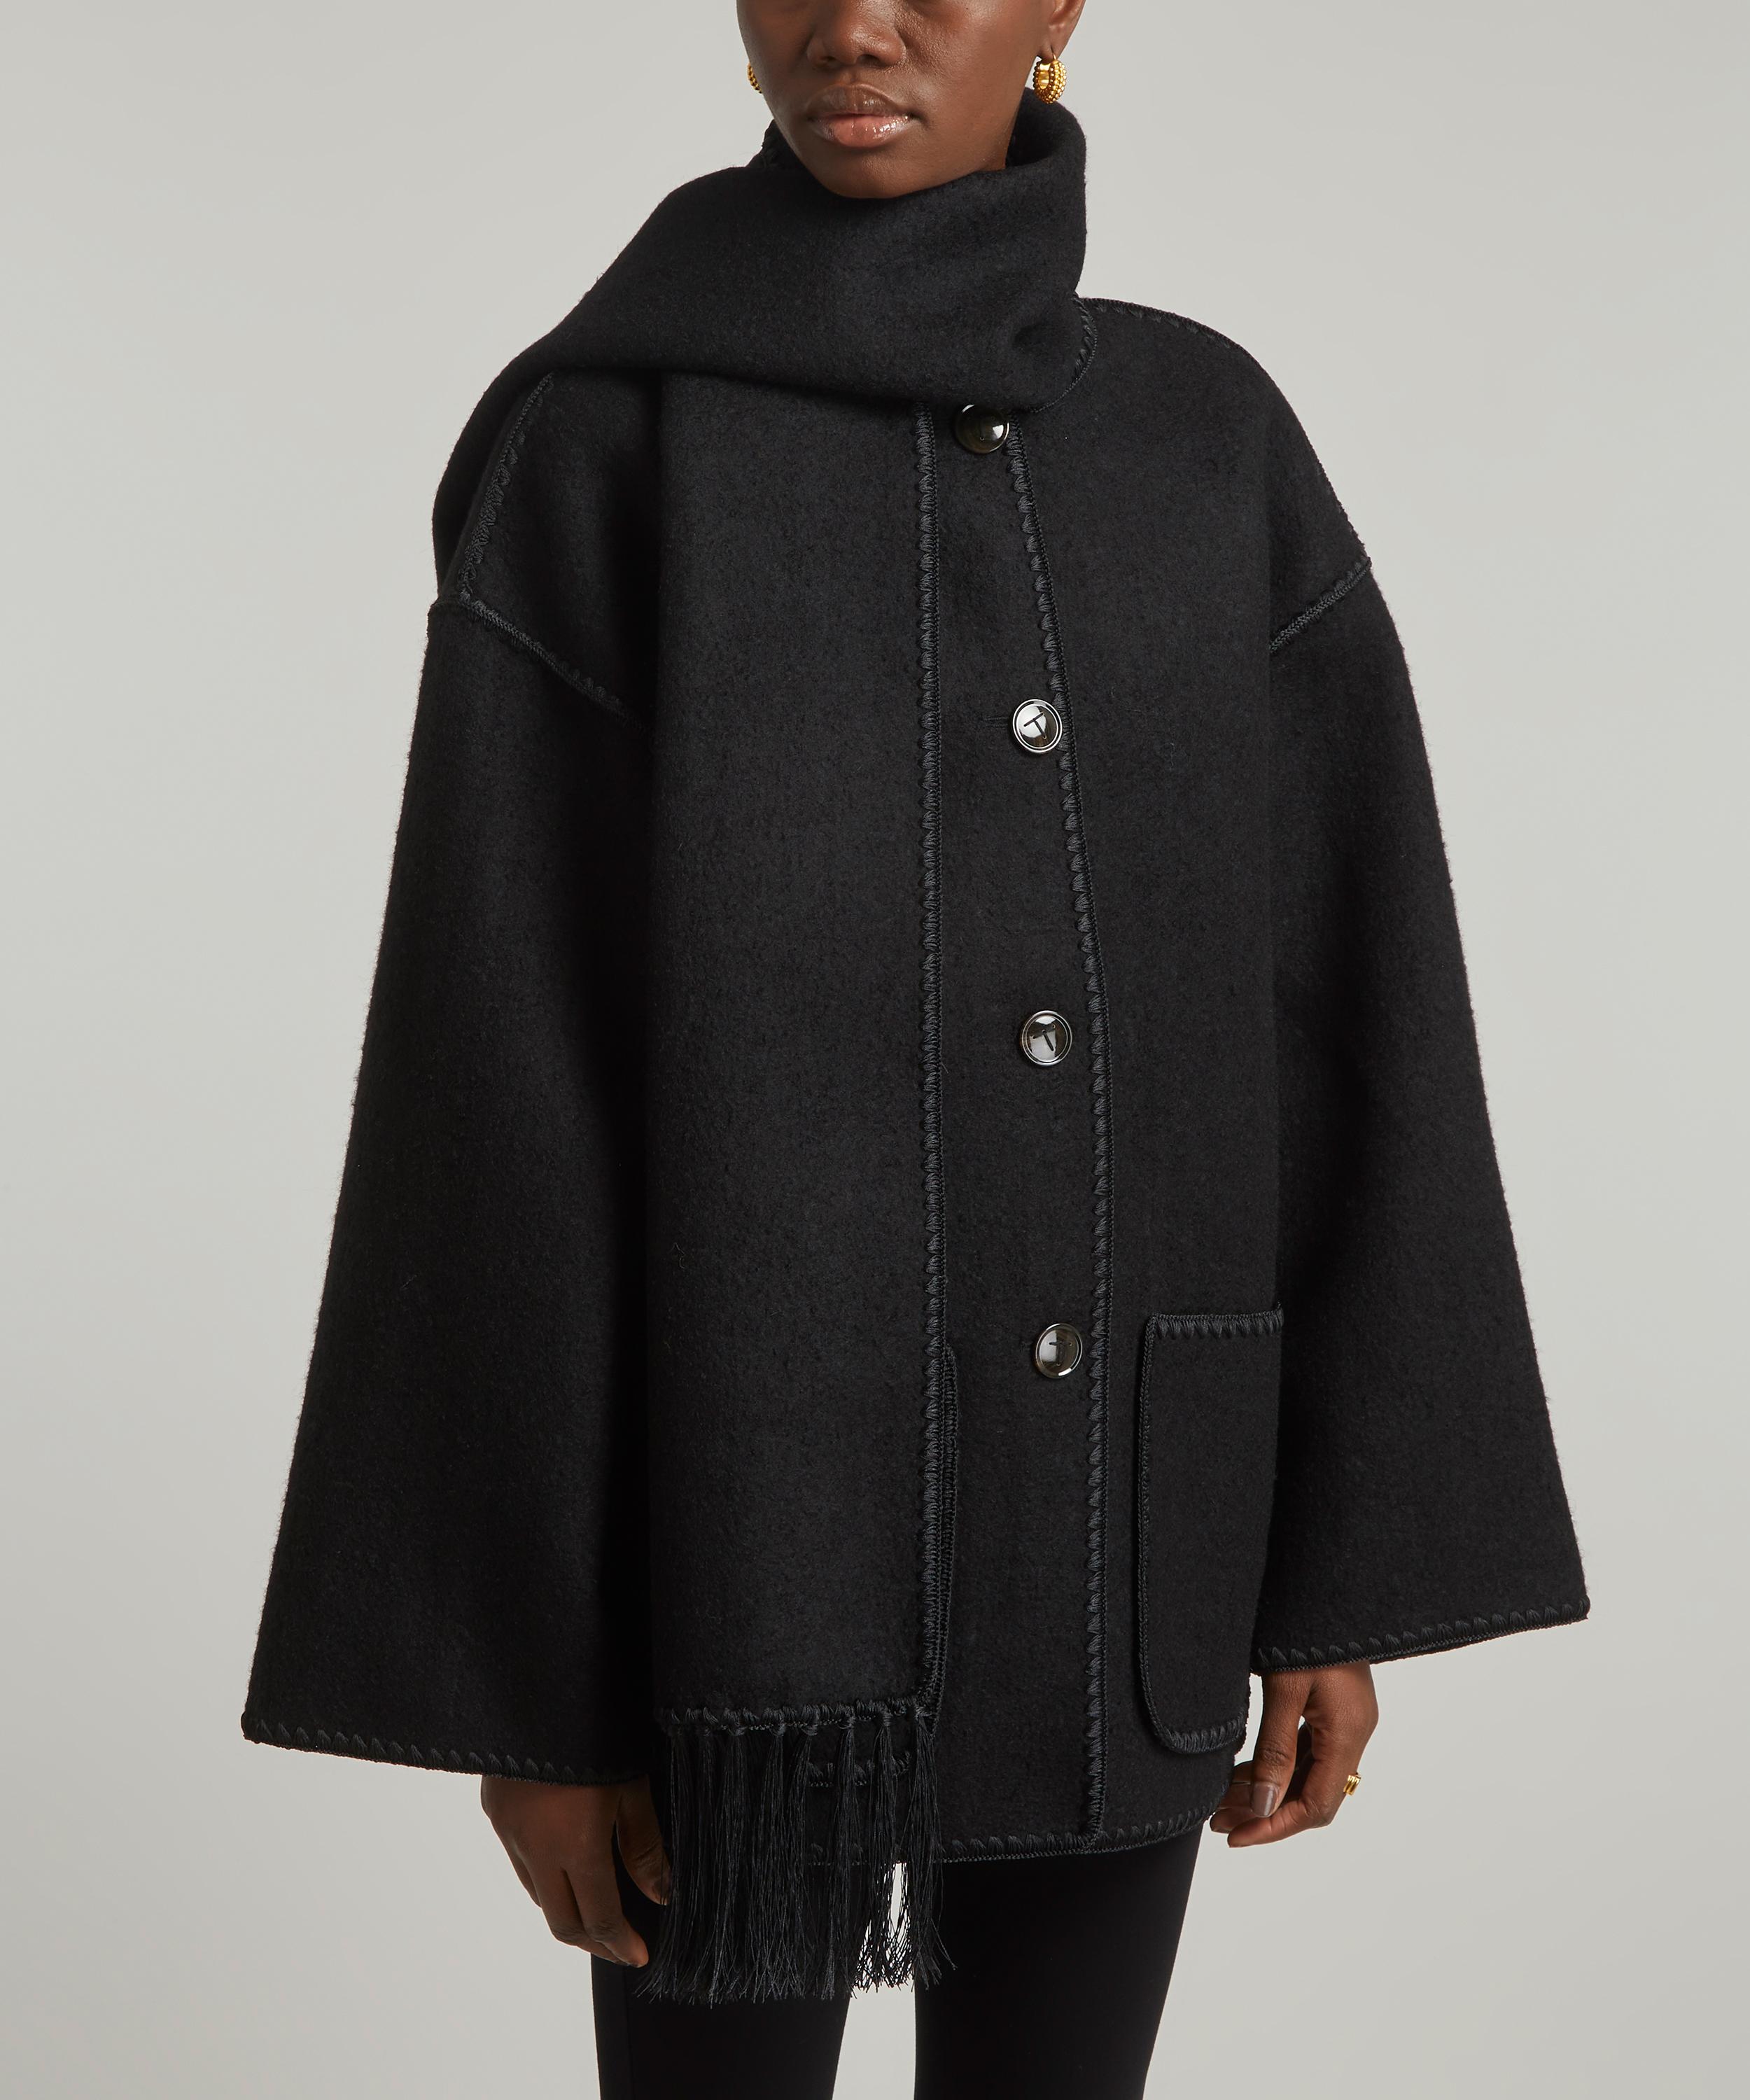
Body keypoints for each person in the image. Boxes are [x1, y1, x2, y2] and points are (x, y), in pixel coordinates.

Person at [241, 3, 1588, 2094]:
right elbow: (491, 1076)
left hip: (1124, 1540)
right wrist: (533, 1691)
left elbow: (1356, 993)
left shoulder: (1204, 433)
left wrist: (1339, 1567)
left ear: (1059, 8)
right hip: (722, 1583)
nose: (852, 22)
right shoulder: (603, 444)